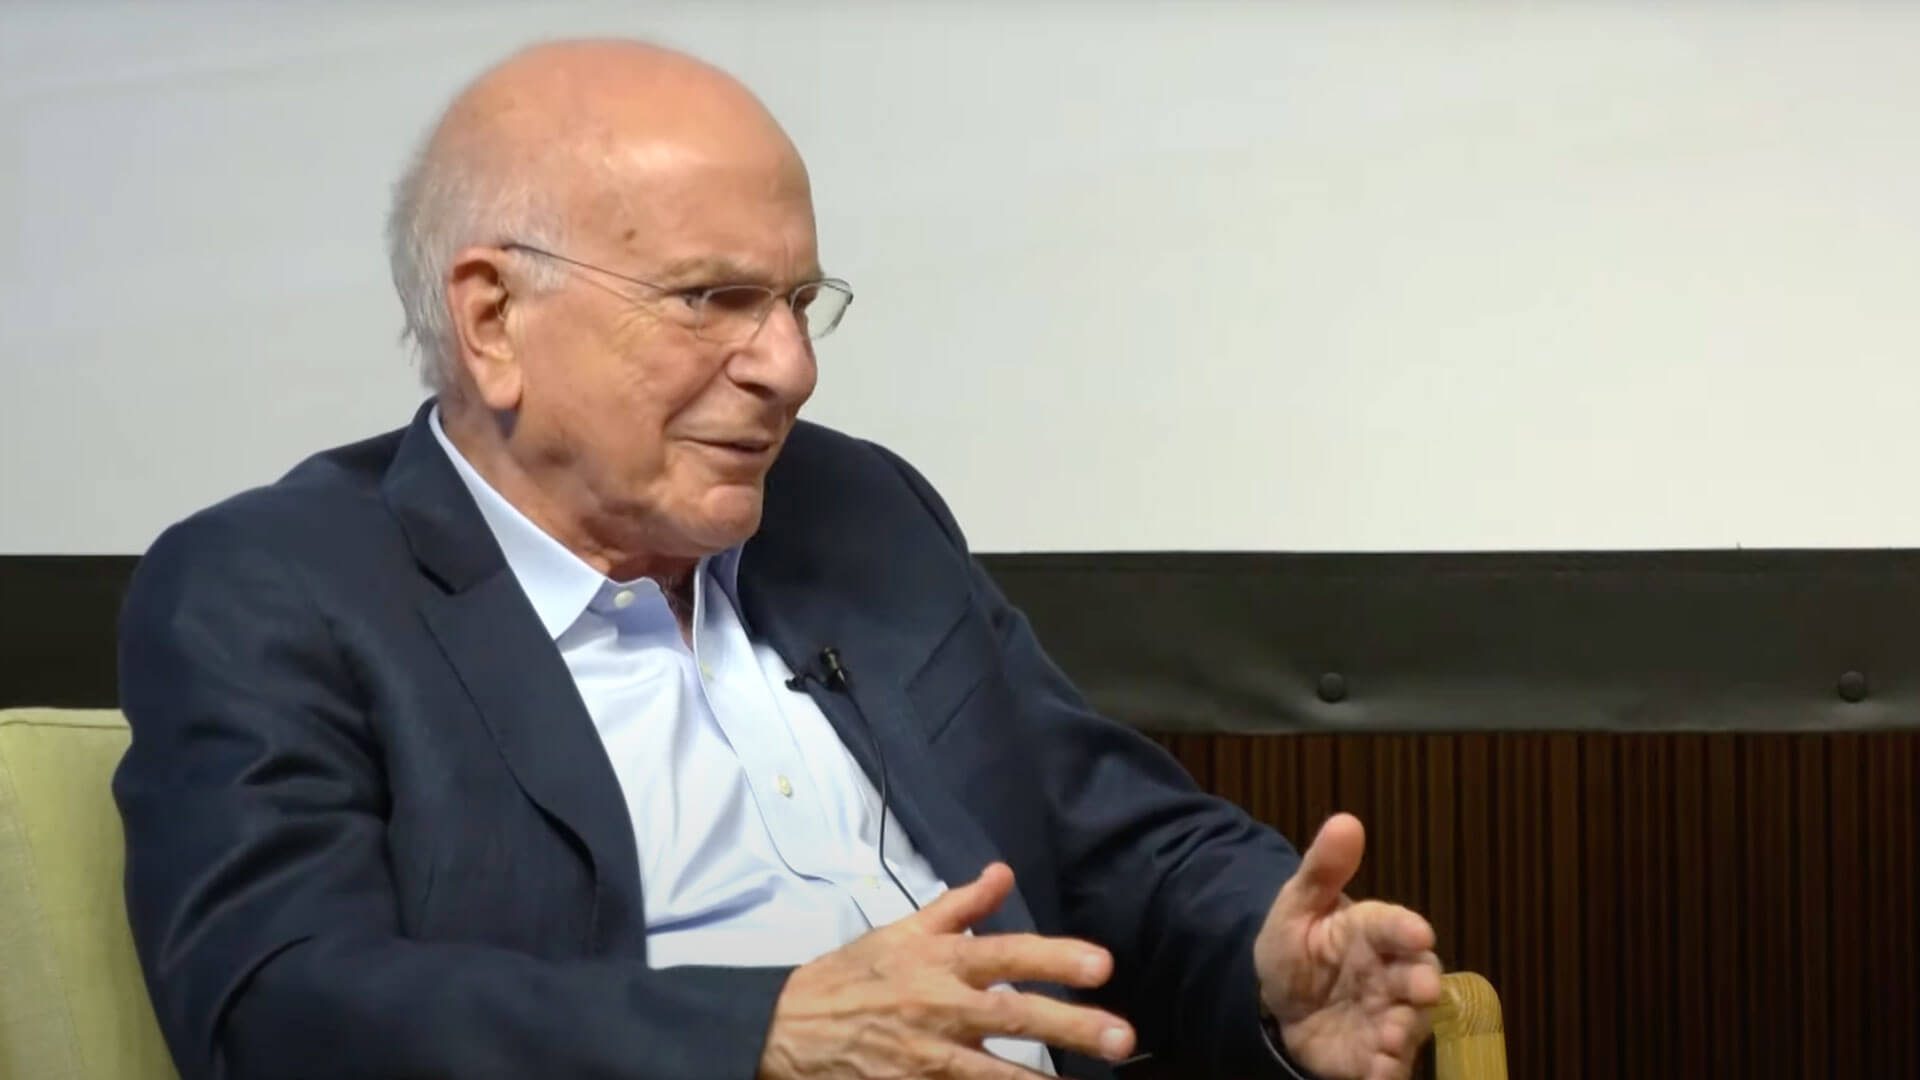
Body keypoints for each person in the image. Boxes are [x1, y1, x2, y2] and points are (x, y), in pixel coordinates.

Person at [115, 40, 1442, 1080]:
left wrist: (1268, 961)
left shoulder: (854, 509)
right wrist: (763, 1037)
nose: (791, 370)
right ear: (493, 319)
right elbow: (279, 1005)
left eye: (800, 303)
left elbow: (1112, 837)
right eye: (715, 300)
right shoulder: (274, 590)